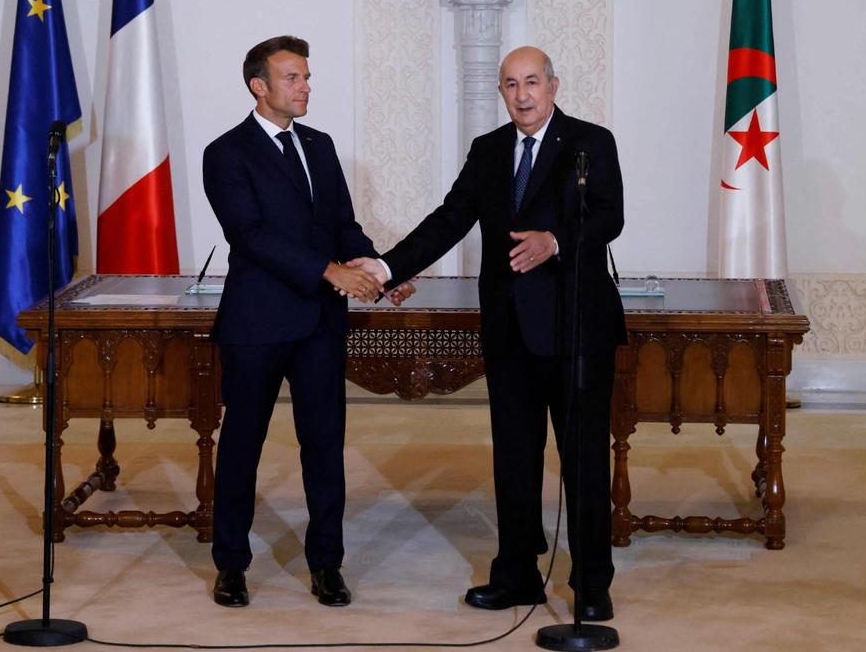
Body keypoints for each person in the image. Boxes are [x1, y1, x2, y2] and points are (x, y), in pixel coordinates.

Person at [350, 46, 625, 621]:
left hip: (575, 329)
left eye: (531, 82)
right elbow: (449, 219)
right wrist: (386, 268)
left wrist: (556, 240)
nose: (522, 95)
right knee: (515, 458)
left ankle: (592, 583)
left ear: (553, 84)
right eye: (510, 85)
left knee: (583, 463)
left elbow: (609, 215)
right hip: (509, 332)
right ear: (500, 92)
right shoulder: (489, 150)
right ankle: (518, 574)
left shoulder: (589, 142)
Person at [202, 35, 390, 608]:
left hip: (318, 326)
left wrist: (380, 268)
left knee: (324, 447)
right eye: (293, 78)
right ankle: (231, 564)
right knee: (242, 447)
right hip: (258, 321)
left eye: (306, 77)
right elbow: (251, 236)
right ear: (259, 86)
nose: (306, 86)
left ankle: (326, 565)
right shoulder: (226, 152)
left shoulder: (320, 144)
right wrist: (331, 272)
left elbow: (343, 225)